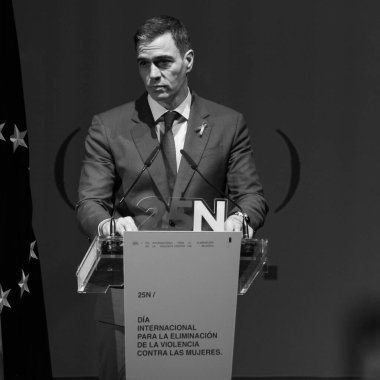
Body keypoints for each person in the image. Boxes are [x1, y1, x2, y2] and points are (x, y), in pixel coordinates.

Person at [76, 15, 268, 380]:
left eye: (163, 62)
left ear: (188, 60)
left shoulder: (228, 125)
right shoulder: (109, 126)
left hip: (200, 298)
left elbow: (252, 197)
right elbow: (88, 202)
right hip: (128, 297)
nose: (153, 74)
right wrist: (108, 224)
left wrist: (239, 220)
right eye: (143, 63)